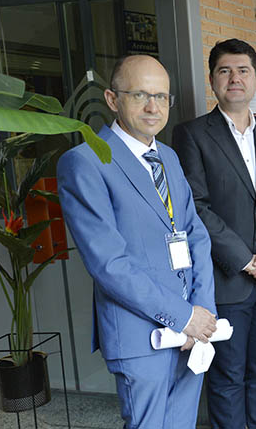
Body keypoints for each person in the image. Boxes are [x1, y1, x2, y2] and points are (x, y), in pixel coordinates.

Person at [57, 55, 217, 428]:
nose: (153, 107)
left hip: (193, 329)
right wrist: (183, 317)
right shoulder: (85, 162)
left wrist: (202, 311)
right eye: (140, 95)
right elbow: (108, 263)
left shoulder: (170, 158)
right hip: (141, 335)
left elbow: (196, 235)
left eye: (161, 97)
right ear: (113, 100)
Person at [172, 39, 256, 429]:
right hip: (226, 281)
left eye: (243, 70)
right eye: (225, 71)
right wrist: (246, 259)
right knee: (227, 378)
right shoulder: (192, 134)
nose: (235, 78)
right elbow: (196, 206)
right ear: (212, 80)